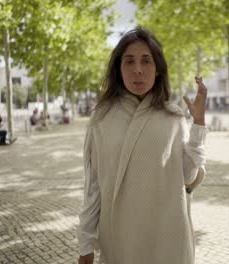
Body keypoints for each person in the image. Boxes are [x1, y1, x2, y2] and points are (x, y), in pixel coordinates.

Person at [77, 27, 207, 264]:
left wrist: (198, 124)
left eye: (146, 61)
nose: (138, 69)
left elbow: (188, 177)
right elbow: (93, 185)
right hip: (119, 237)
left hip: (168, 236)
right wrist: (85, 241)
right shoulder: (102, 118)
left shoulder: (174, 116)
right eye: (129, 61)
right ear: (119, 69)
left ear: (157, 70)